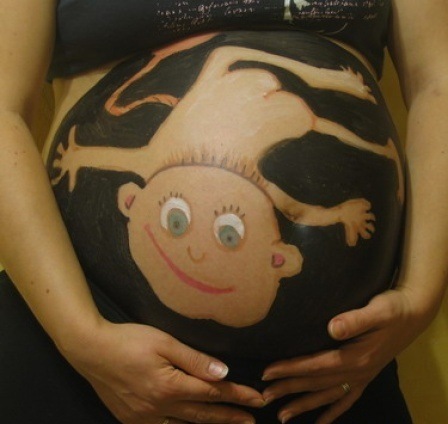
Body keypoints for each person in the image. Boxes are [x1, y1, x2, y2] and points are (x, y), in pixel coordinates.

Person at [0, 1, 446, 424]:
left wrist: (420, 298)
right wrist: (83, 337)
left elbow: (438, 83)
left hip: (334, 368)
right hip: (91, 352)